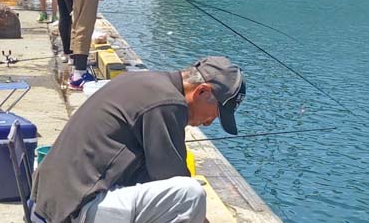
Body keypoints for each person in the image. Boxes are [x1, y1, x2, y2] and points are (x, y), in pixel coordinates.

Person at [31, 56, 247, 223]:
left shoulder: (144, 80)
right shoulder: (168, 103)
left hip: (52, 202)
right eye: (215, 113)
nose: (209, 122)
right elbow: (172, 181)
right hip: (75, 209)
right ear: (201, 91)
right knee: (190, 194)